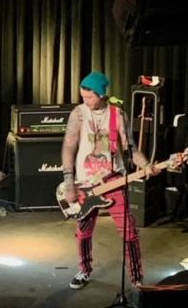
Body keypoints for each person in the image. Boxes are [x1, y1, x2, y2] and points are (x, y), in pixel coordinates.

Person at [61, 71, 159, 290]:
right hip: (85, 183)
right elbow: (68, 147)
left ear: (102, 94)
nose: (85, 101)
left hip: (114, 180)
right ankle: (84, 270)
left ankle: (136, 279)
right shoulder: (78, 114)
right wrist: (69, 182)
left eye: (90, 97)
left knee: (129, 232)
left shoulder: (118, 115)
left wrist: (145, 165)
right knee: (83, 232)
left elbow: (132, 150)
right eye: (83, 96)